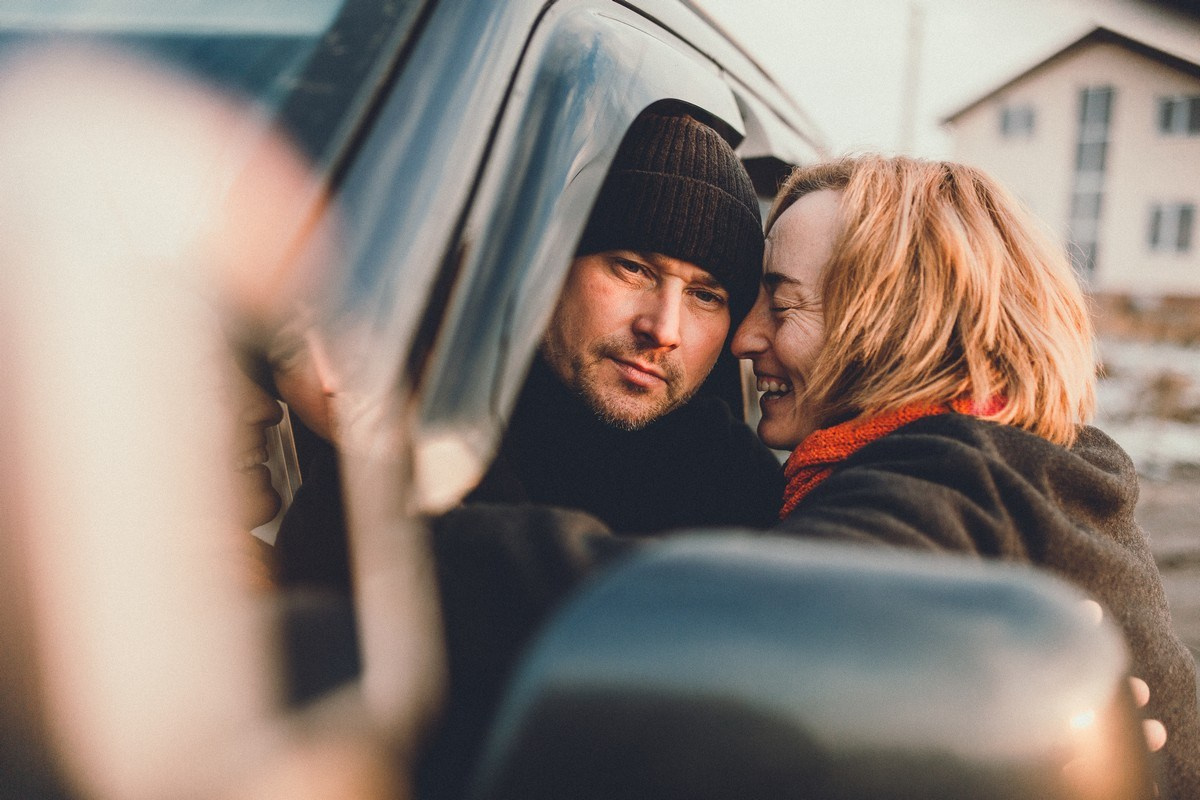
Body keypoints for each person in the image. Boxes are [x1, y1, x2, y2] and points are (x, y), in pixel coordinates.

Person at [731, 154, 1199, 798]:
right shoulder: (1047, 472)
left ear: (896, 323)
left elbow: (741, 633)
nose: (745, 337)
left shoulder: (953, 484)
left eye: (782, 305)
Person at [274, 110, 784, 592]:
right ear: (551, 271)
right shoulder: (442, 412)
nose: (663, 328)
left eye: (705, 296)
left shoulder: (743, 490)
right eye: (632, 268)